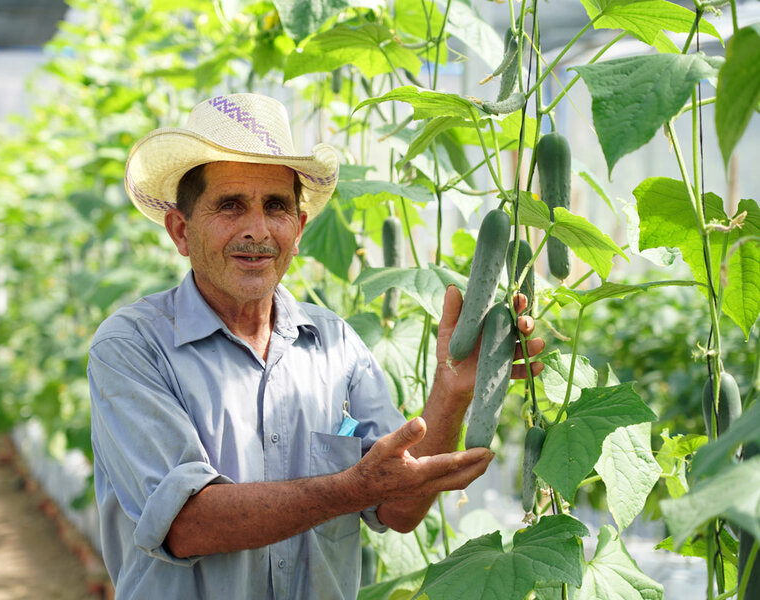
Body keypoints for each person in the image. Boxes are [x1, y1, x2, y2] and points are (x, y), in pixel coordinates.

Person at [88, 93, 544, 599]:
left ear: (299, 229)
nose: (257, 230)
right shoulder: (133, 347)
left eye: (276, 207)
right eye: (230, 205)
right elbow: (188, 524)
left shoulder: (336, 345)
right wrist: (353, 488)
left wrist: (453, 391)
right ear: (180, 229)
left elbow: (399, 507)